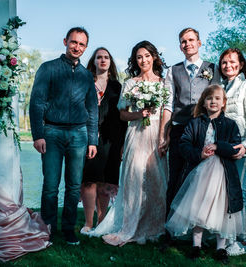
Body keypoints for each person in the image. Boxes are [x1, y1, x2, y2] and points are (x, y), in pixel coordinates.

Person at [87, 41, 168, 246]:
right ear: (135, 60)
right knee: (134, 180)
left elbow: (167, 111)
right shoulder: (130, 84)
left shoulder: (164, 83)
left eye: (147, 56)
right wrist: (139, 114)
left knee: (157, 182)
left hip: (157, 135)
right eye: (139, 57)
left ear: (154, 57)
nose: (144, 60)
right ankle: (131, 225)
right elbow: (122, 115)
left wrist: (163, 137)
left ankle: (154, 226)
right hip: (137, 133)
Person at [29, 27, 98, 245]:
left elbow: (92, 109)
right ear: (65, 41)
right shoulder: (48, 68)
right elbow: (36, 102)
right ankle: (46, 229)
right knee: (50, 185)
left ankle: (68, 229)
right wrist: (38, 135)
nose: (77, 47)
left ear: (85, 47)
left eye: (81, 44)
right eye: (73, 42)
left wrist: (92, 140)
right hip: (52, 133)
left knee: (74, 186)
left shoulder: (87, 76)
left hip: (79, 135)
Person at [166, 84, 245, 264]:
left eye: (217, 98)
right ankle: (196, 245)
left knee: (222, 210)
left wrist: (218, 146)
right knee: (197, 208)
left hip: (223, 174)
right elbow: (184, 144)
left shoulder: (230, 125)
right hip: (200, 172)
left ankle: (220, 248)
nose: (213, 101)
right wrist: (199, 154)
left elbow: (234, 148)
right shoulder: (195, 123)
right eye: (209, 98)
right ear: (203, 102)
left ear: (224, 103)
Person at [159, 28, 221, 222]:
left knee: (200, 179)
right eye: (184, 41)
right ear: (180, 46)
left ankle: (196, 229)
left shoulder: (213, 68)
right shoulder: (173, 70)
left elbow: (218, 99)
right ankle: (169, 227)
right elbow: (168, 104)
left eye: (191, 40)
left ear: (199, 43)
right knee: (175, 177)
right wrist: (164, 134)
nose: (188, 44)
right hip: (179, 129)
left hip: (204, 130)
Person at [219, 48, 246, 256]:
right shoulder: (219, 87)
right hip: (224, 151)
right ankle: (229, 238)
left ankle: (245, 242)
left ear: (241, 64)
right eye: (224, 62)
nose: (228, 65)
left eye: (232, 62)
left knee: (241, 195)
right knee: (227, 196)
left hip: (243, 152)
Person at [80, 47, 127, 234]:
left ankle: (102, 222)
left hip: (112, 140)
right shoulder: (85, 83)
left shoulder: (117, 87)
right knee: (89, 180)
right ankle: (88, 223)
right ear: (94, 61)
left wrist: (122, 143)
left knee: (106, 182)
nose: (103, 60)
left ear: (110, 62)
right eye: (99, 57)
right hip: (88, 137)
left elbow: (122, 118)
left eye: (106, 57)